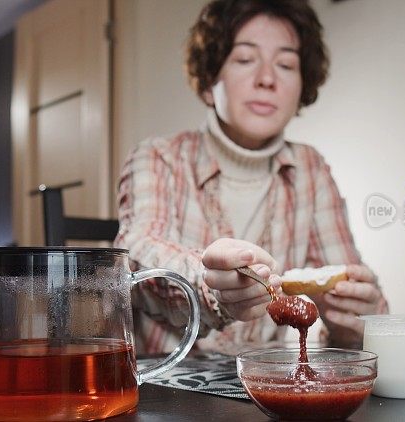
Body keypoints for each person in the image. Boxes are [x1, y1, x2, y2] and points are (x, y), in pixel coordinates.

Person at [114, 0, 388, 356]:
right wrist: (213, 284)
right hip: (166, 387)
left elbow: (349, 290)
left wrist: (353, 323)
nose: (267, 79)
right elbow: (138, 259)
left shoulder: (310, 168)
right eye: (245, 59)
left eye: (286, 64)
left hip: (267, 393)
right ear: (211, 81)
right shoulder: (158, 157)